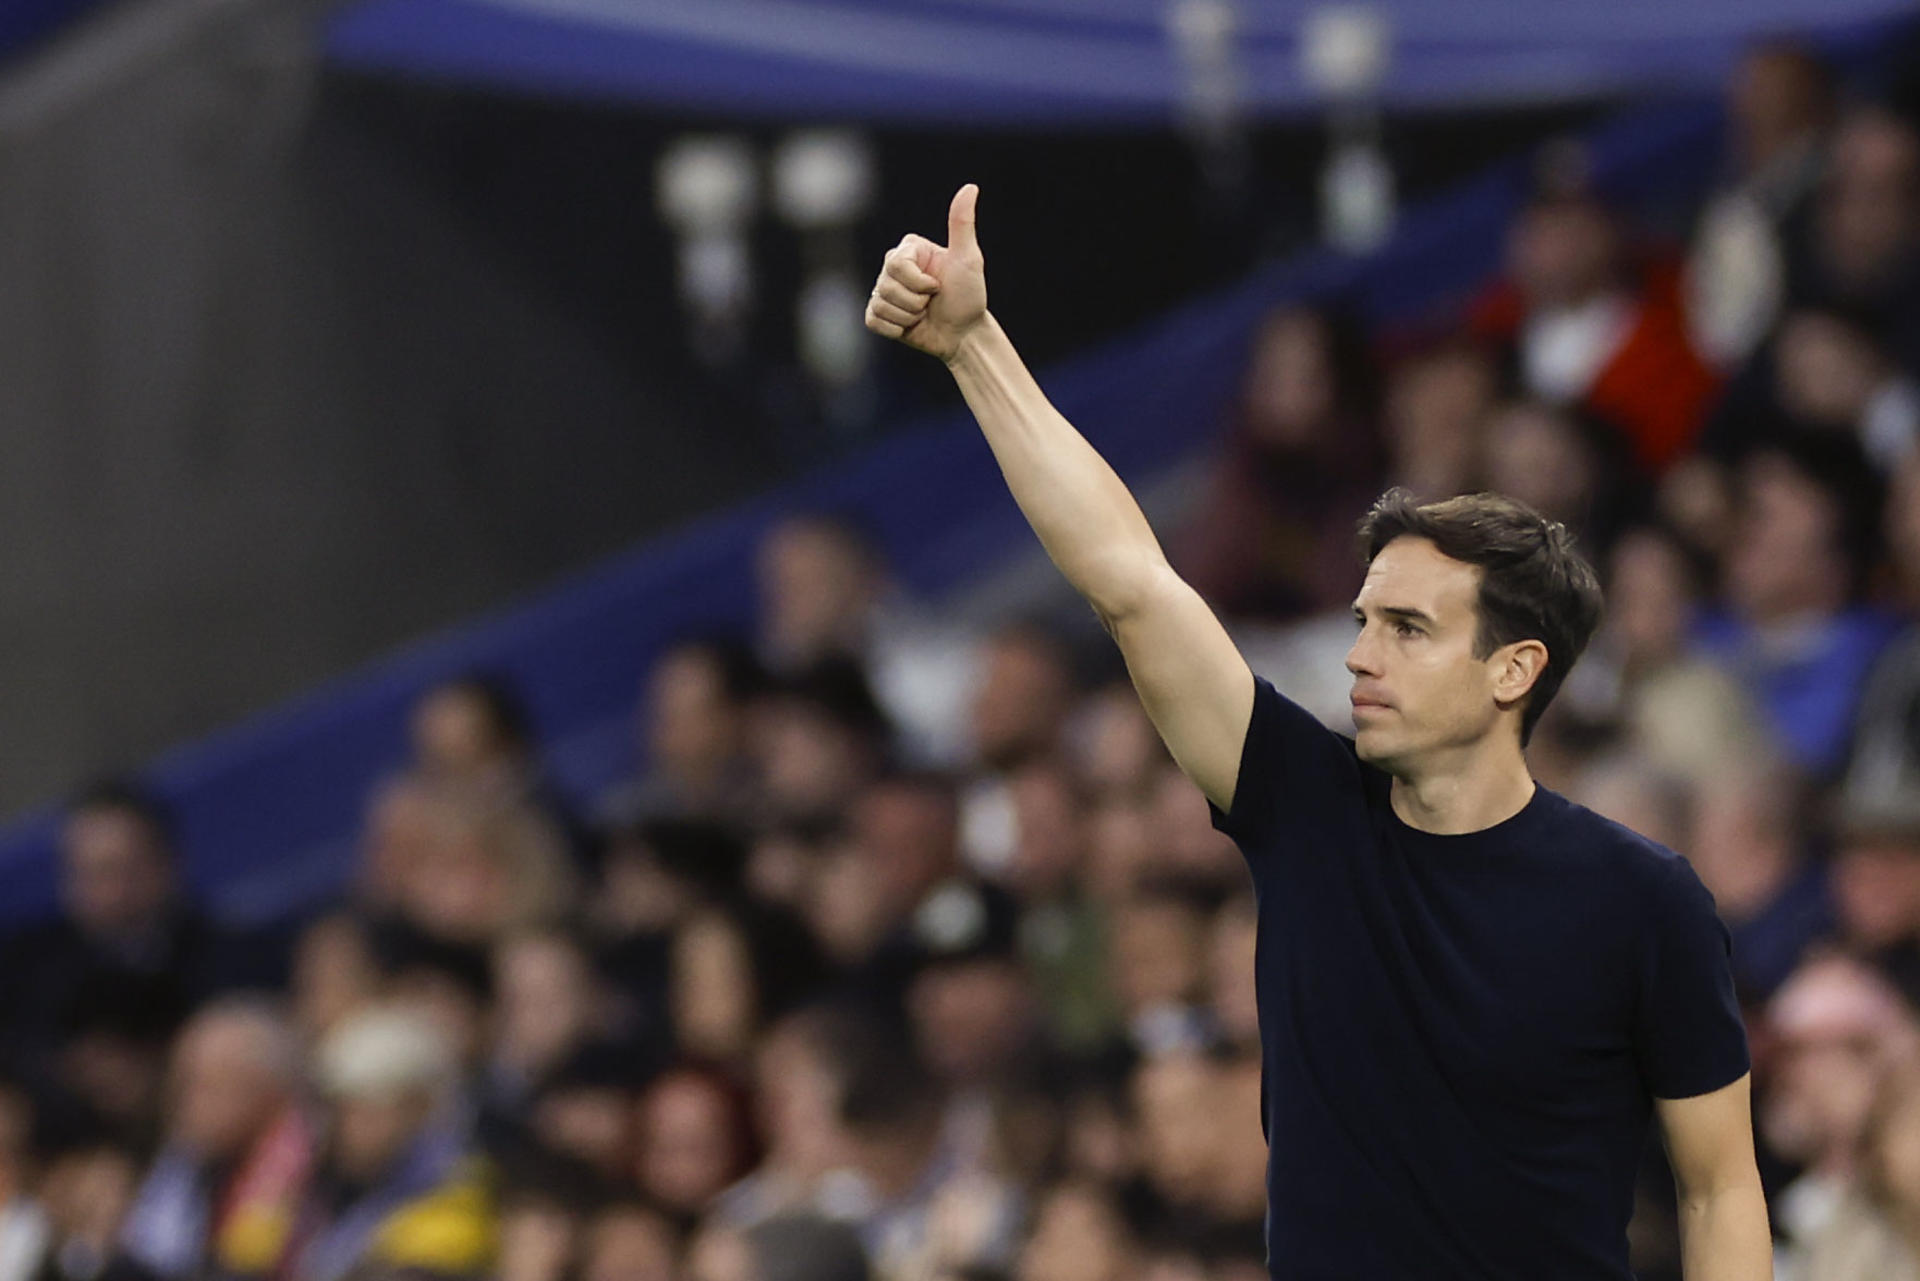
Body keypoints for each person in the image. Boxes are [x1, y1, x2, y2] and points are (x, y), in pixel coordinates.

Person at [864, 185, 1768, 1278]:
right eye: (1361, 622)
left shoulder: (1645, 900)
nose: (1358, 657)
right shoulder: (1305, 806)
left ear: (1514, 669)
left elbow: (1721, 1190)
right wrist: (973, 347)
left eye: (1407, 629)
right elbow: (1133, 585)